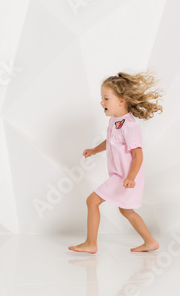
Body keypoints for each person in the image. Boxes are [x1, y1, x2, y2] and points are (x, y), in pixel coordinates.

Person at [69, 71, 163, 254]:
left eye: (106, 98)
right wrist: (94, 150)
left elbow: (138, 155)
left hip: (125, 178)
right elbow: (111, 141)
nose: (101, 102)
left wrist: (131, 177)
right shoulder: (115, 121)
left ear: (121, 101)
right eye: (102, 98)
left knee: (92, 201)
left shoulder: (130, 126)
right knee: (126, 211)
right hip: (120, 177)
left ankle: (91, 243)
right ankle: (150, 241)